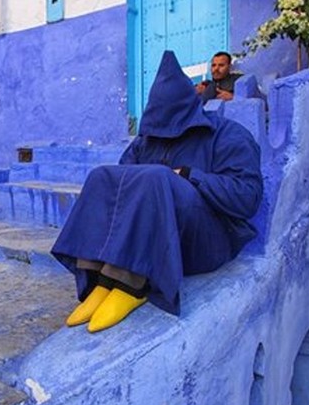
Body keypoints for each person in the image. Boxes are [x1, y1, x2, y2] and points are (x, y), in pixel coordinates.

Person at [52, 51, 262, 333]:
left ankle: (131, 284)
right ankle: (102, 280)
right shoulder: (145, 141)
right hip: (148, 241)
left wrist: (189, 175)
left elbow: (247, 196)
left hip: (208, 240)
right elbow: (121, 188)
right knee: (103, 176)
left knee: (156, 177)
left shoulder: (227, 135)